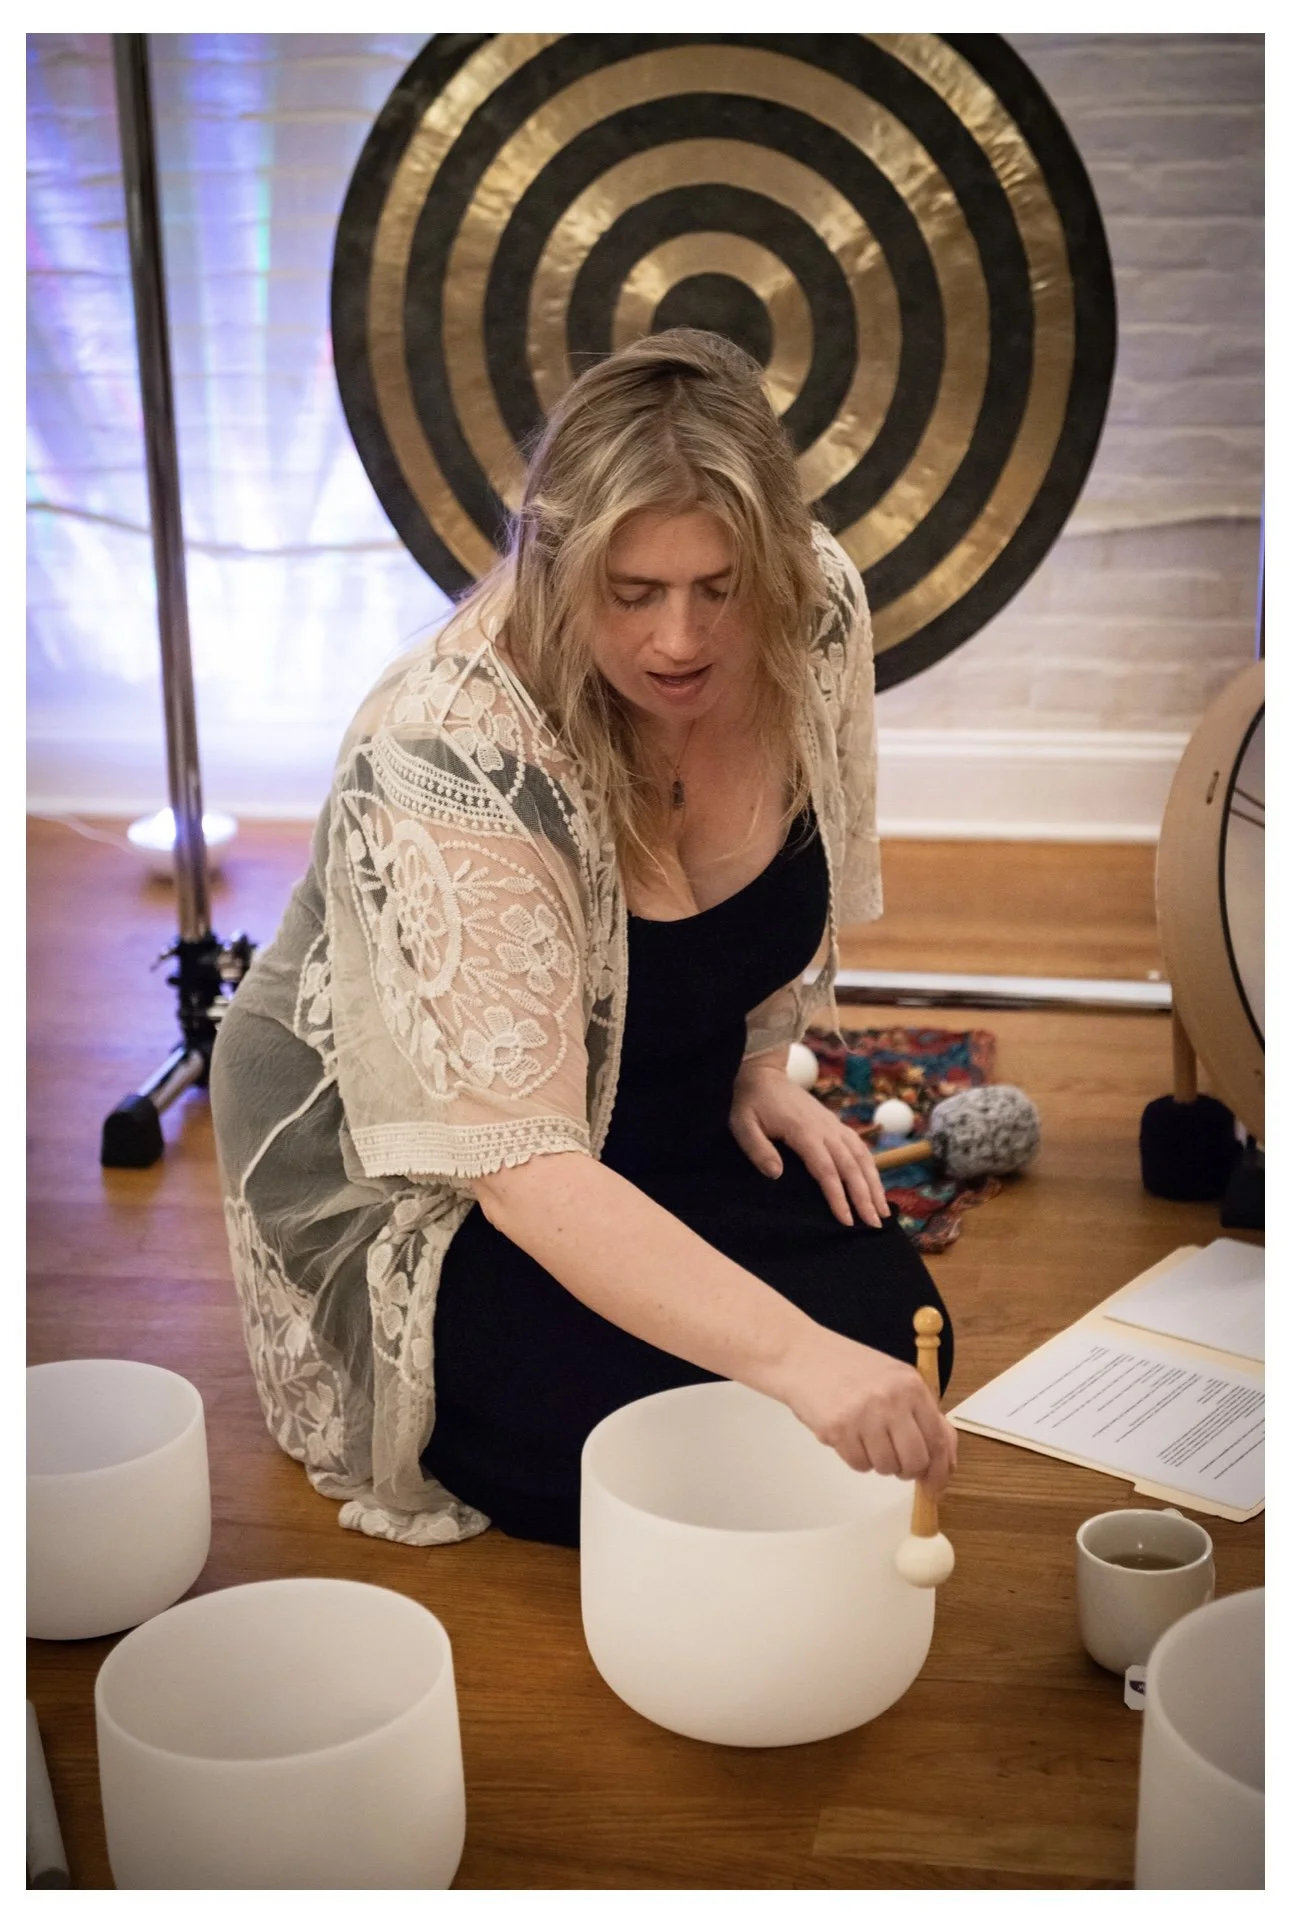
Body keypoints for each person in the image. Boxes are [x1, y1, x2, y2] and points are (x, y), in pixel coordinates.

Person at [209, 327, 956, 1548]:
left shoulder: (812, 615)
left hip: (647, 1100)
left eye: (719, 588)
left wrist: (761, 1062)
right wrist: (795, 1358)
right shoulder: (450, 746)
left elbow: (783, 879)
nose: (681, 638)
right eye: (634, 592)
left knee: (890, 1351)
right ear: (558, 568)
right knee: (671, 1456)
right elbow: (524, 1170)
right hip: (445, 1183)